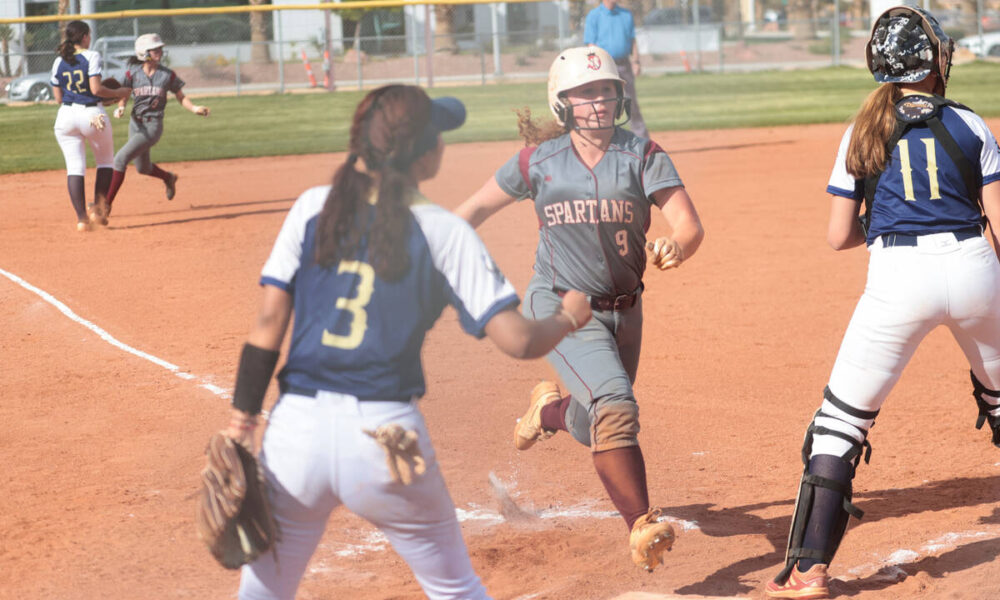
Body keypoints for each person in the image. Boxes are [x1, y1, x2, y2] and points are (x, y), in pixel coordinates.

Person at [223, 84, 592, 600]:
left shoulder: (312, 208)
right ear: (424, 154)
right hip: (385, 440)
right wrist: (568, 317)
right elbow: (518, 340)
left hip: (294, 436)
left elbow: (267, 323)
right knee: (455, 587)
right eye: (437, 134)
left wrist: (242, 423)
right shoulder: (443, 230)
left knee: (262, 591)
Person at [764, 7, 1000, 599]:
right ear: (935, 61)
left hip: (897, 276)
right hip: (974, 267)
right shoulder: (972, 125)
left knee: (840, 424)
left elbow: (838, 235)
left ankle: (809, 571)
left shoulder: (860, 132)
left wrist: (889, 216)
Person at [454, 46, 704, 572]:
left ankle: (547, 410)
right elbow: (476, 206)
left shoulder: (643, 154)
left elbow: (688, 223)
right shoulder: (537, 162)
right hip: (562, 304)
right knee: (616, 404)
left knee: (596, 424)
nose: (597, 101)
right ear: (561, 102)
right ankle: (641, 524)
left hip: (626, 311)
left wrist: (676, 245)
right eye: (585, 93)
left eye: (605, 90)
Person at [101, 33, 209, 221]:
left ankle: (105, 206)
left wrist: (194, 108)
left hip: (152, 127)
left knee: (120, 159)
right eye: (155, 49)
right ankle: (168, 178)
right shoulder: (132, 73)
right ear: (144, 53)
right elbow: (124, 93)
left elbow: (180, 95)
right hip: (135, 124)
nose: (160, 51)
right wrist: (120, 107)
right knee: (142, 168)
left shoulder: (167, 75)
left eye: (160, 48)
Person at [49, 20, 131, 232]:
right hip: (91, 114)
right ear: (84, 36)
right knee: (105, 162)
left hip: (65, 116)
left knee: (75, 167)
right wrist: (118, 93)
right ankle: (97, 210)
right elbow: (96, 89)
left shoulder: (59, 61)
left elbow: (58, 97)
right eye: (89, 35)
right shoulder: (92, 55)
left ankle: (81, 219)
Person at [584, 0, 647, 139]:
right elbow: (591, 44)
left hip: (624, 63)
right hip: (605, 66)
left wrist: (636, 62)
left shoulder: (625, 15)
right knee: (605, 103)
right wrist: (595, 68)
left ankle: (643, 141)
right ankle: (605, 139)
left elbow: (632, 40)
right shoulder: (594, 16)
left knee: (631, 103)